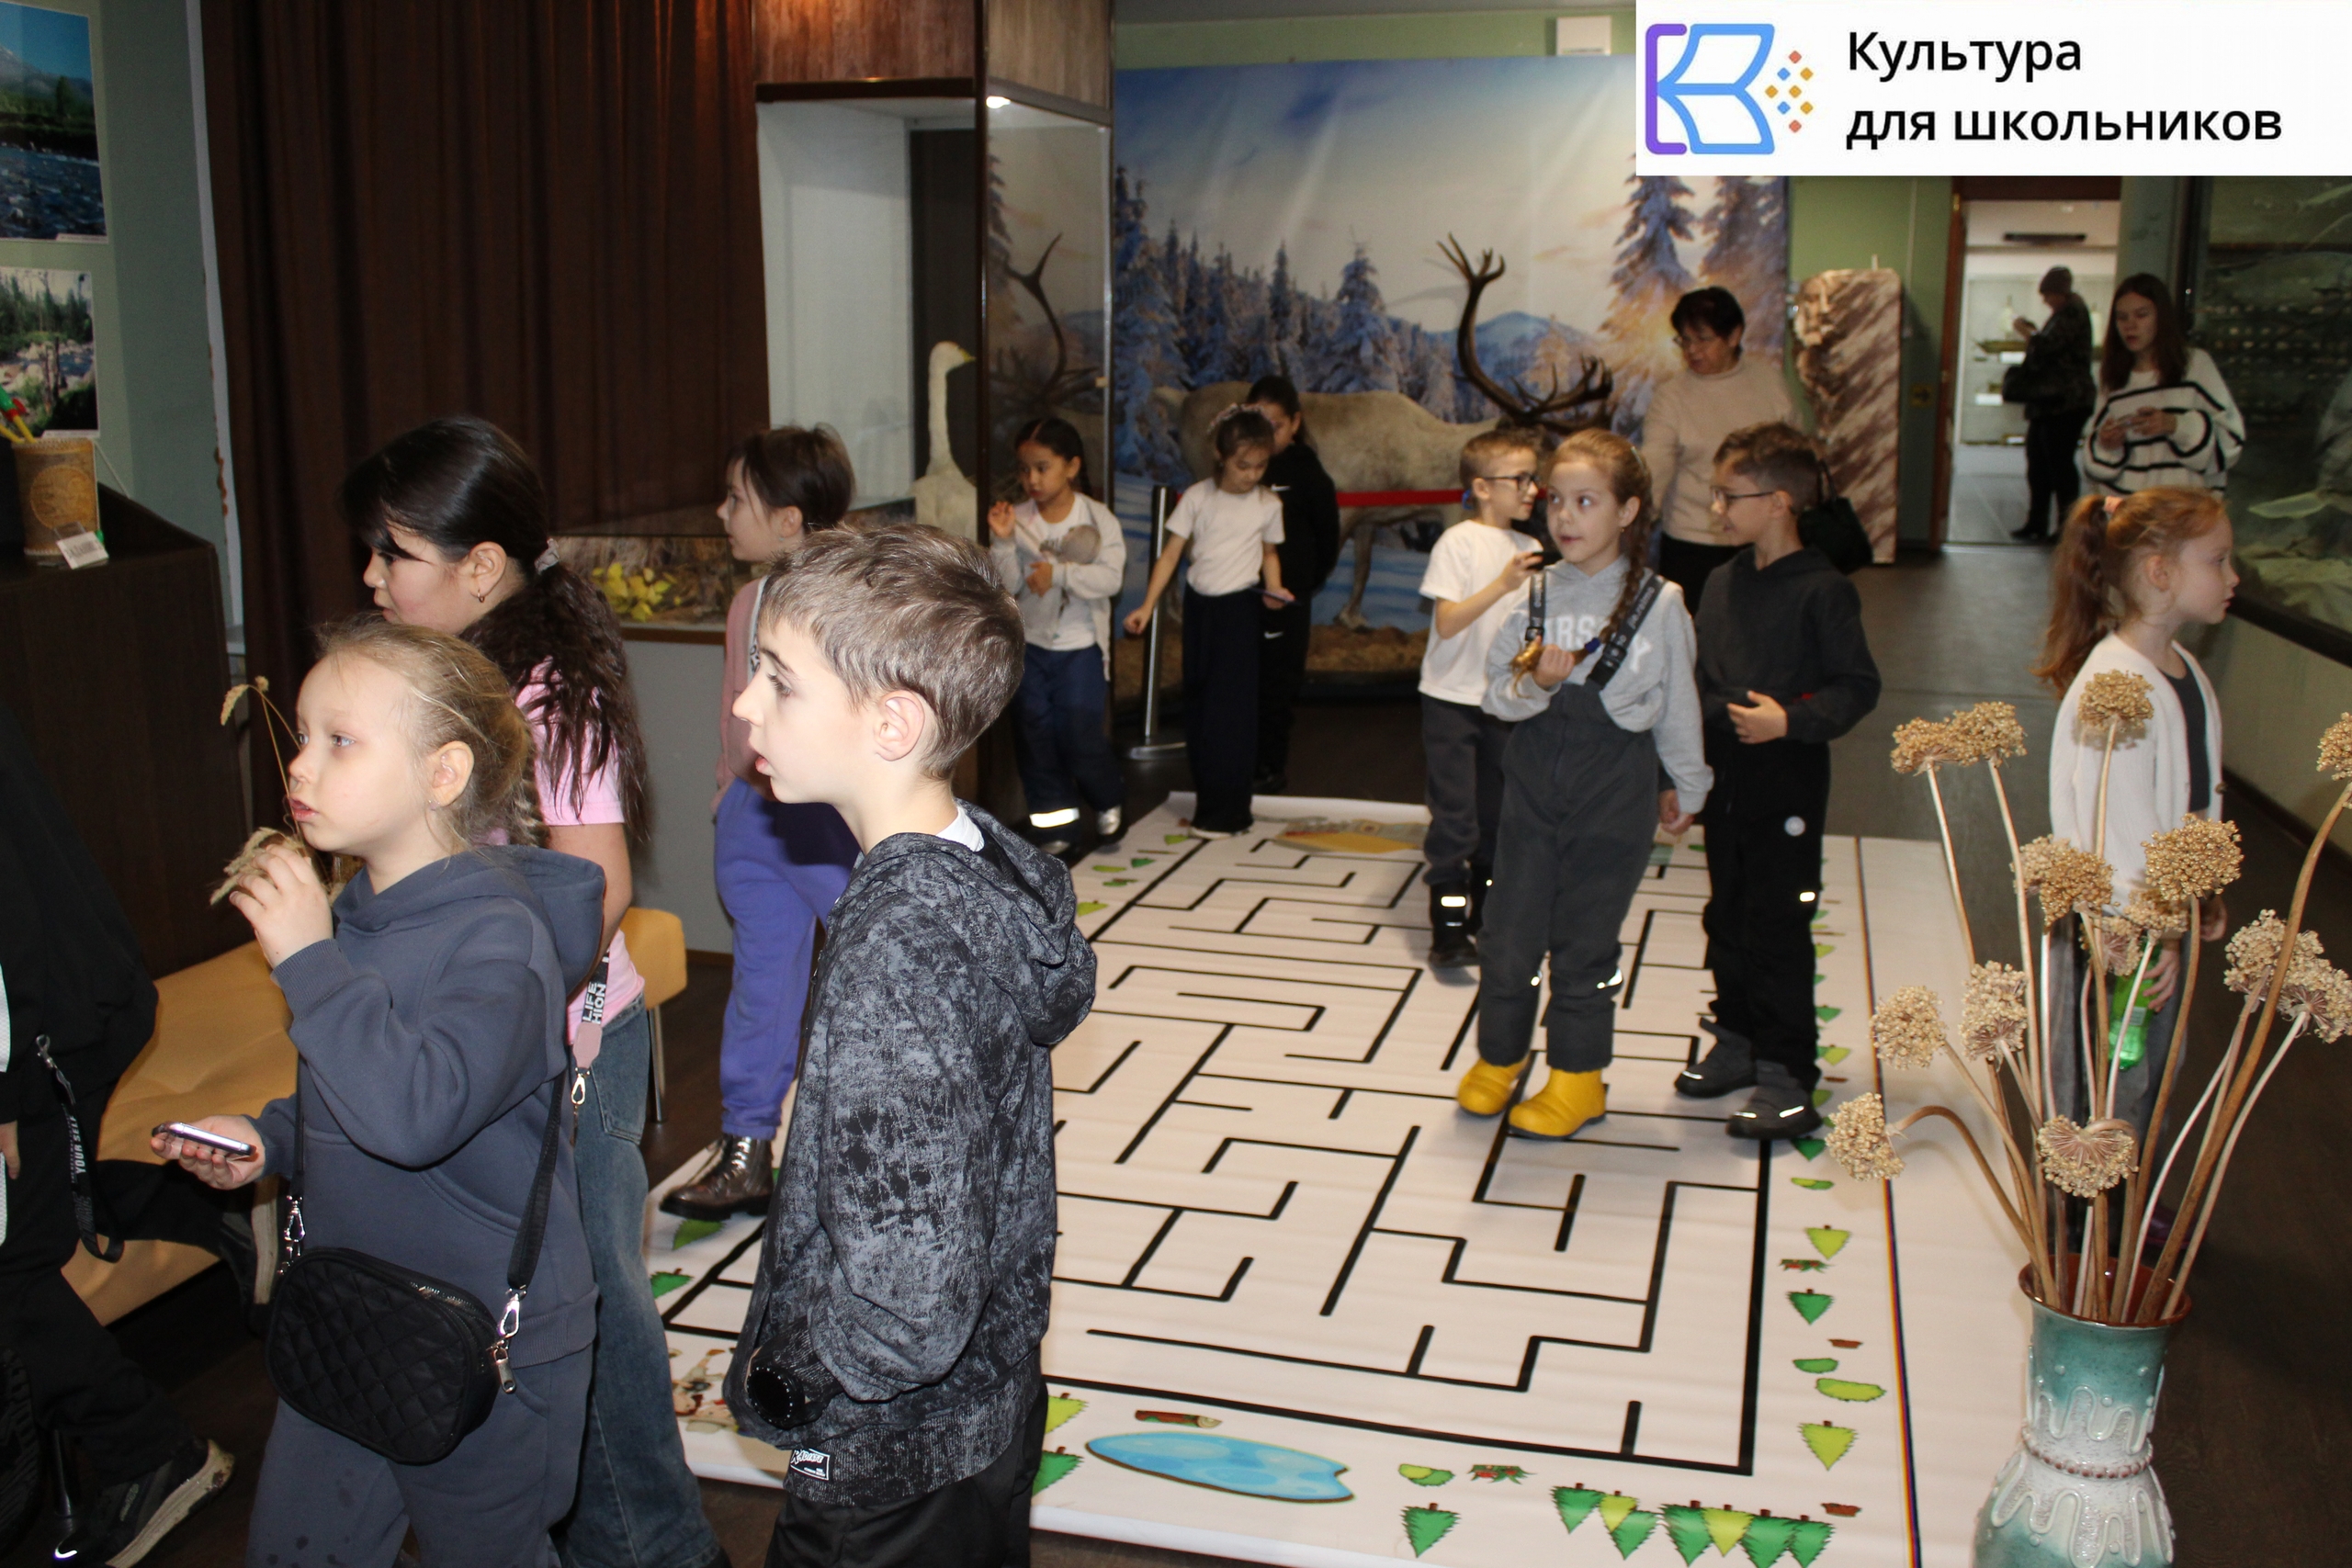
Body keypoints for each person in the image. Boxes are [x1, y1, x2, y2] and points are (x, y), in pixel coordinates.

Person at [346, 417, 726, 1568]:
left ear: (481, 568)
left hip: (565, 1047)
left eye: (395, 553)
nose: (372, 576)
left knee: (588, 1305)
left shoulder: (545, 692)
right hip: (493, 1044)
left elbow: (595, 884)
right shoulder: (448, 675)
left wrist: (500, 1027)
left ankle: (659, 1550)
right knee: (531, 1304)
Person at [156, 619, 603, 1566]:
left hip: (487, 1341)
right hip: (353, 1312)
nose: (300, 764)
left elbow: (415, 1114)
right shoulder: (356, 913)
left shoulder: (501, 940)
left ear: (443, 774)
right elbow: (355, 1089)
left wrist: (308, 962)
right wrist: (270, 1139)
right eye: (304, 735)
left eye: (341, 740)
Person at [719, 524, 1092, 1568]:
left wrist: (803, 1374)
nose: (746, 705)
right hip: (989, 1401)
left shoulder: (897, 950)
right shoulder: (979, 866)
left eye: (779, 679)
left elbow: (911, 1299)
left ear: (892, 721)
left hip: (887, 1458)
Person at [0, 703, 233, 1567]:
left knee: (11, 1273)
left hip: (42, 1023)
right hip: (52, 1008)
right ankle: (208, 1210)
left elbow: (8, 922)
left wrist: (8, 1094)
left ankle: (152, 1455)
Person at [1454, 430, 1711, 1140]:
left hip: (1615, 792)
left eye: (1587, 501)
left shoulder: (1662, 602)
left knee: (1584, 940)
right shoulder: (1535, 592)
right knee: (1508, 933)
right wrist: (1536, 685)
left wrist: (1687, 785)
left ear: (1628, 511)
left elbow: (1680, 706)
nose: (1565, 517)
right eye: (1556, 501)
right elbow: (1496, 696)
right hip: (1533, 786)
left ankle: (1577, 1078)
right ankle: (1500, 1057)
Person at [667, 427, 861, 1226]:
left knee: (870, 984)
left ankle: (868, 1152)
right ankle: (747, 1150)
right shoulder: (747, 602)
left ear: (788, 518)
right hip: (754, 816)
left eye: (735, 498)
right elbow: (732, 710)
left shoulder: (854, 600)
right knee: (761, 988)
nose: (722, 513)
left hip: (828, 822)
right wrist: (728, 795)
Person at [1677, 423, 1881, 1139]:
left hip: (1787, 787)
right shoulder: (1722, 581)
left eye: (1729, 496)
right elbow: (1698, 677)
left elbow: (1856, 686)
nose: (1717, 509)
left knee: (1778, 927)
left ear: (1779, 502)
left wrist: (1789, 720)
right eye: (1714, 494)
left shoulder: (1824, 591)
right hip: (1726, 784)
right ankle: (1737, 1038)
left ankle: (1788, 1073)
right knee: (1727, 916)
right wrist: (1685, 766)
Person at [2034, 487, 2233, 1152]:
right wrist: (2159, 933)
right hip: (2115, 931)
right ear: (2160, 572)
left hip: (2163, 922)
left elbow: (2194, 802)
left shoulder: (2186, 671)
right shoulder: (2114, 685)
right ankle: (2088, 1205)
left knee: (2151, 1072)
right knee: (2103, 1076)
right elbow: (2117, 836)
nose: (2232, 577)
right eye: (2218, 561)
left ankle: (2129, 1190)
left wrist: (2203, 894)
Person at [1122, 407, 1292, 838]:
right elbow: (1170, 555)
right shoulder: (1198, 497)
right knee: (1198, 706)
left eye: (1260, 466)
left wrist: (1274, 589)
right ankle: (1209, 804)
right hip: (1202, 611)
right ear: (1220, 454)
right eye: (1243, 465)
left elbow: (1270, 554)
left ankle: (1230, 812)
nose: (1251, 475)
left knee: (1231, 713)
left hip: (1239, 614)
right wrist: (1147, 606)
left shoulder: (1268, 504)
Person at [1414, 427, 1544, 968]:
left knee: (1498, 818)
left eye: (1535, 478)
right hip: (1450, 700)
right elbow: (1447, 622)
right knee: (1455, 819)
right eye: (1521, 479)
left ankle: (1486, 918)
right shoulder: (1458, 542)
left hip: (1504, 704)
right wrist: (1502, 585)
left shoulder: (1531, 548)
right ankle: (1447, 929)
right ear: (1483, 488)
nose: (1532, 490)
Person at [987, 416, 1130, 855]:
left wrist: (1060, 574)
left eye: (1042, 467)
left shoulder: (1097, 518)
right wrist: (1003, 542)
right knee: (1035, 735)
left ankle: (1108, 798)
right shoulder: (1017, 518)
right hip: (1030, 646)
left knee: (1079, 730)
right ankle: (1056, 827)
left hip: (1080, 646)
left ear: (1072, 466)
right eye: (1024, 469)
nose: (1031, 479)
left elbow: (1110, 578)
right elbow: (1007, 586)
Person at [1640, 286, 1795, 610]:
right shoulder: (1671, 396)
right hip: (1693, 541)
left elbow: (1793, 459)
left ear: (1734, 336)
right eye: (1685, 341)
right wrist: (1634, 519)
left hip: (1761, 541)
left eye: (1703, 339)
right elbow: (1656, 465)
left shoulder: (1769, 384)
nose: (1692, 350)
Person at [1243, 376, 1342, 794]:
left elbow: (1326, 534)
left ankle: (1270, 766)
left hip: (1288, 598)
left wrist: (1302, 583)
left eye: (1276, 425)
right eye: (1258, 423)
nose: (1267, 435)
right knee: (1240, 681)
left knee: (1278, 684)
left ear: (1295, 423)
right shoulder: (1238, 470)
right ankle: (1237, 761)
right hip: (1240, 594)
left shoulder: (1308, 473)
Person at [2082, 274, 2245, 497]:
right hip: (2130, 508)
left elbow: (2230, 442)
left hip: (2185, 508)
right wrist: (2107, 443)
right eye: (2122, 317)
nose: (2130, 325)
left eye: (2142, 315)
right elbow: (2094, 463)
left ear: (2162, 317)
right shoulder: (2113, 377)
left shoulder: (2195, 365)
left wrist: (2175, 425)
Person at [2008, 265, 2098, 541]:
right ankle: (2038, 521)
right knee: (2039, 462)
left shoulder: (2073, 313)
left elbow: (2048, 347)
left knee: (2059, 464)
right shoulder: (2066, 313)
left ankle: (2065, 526)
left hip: (2065, 402)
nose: (2046, 300)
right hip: (2051, 402)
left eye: (2048, 294)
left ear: (2060, 292)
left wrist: (2027, 333)